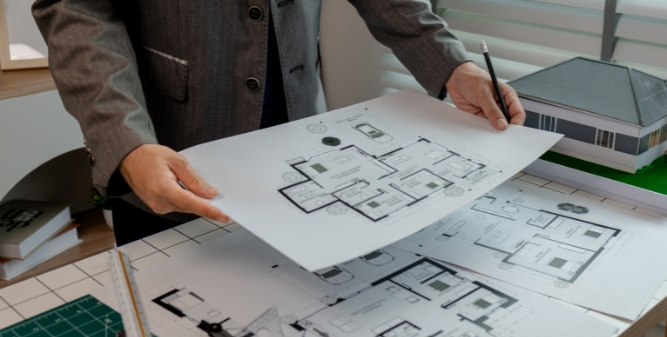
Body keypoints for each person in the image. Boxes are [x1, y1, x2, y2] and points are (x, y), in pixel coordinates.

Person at [32, 1, 525, 245]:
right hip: (168, 150)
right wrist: (124, 140)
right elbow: (76, 8)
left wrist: (452, 64)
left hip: (304, 143)